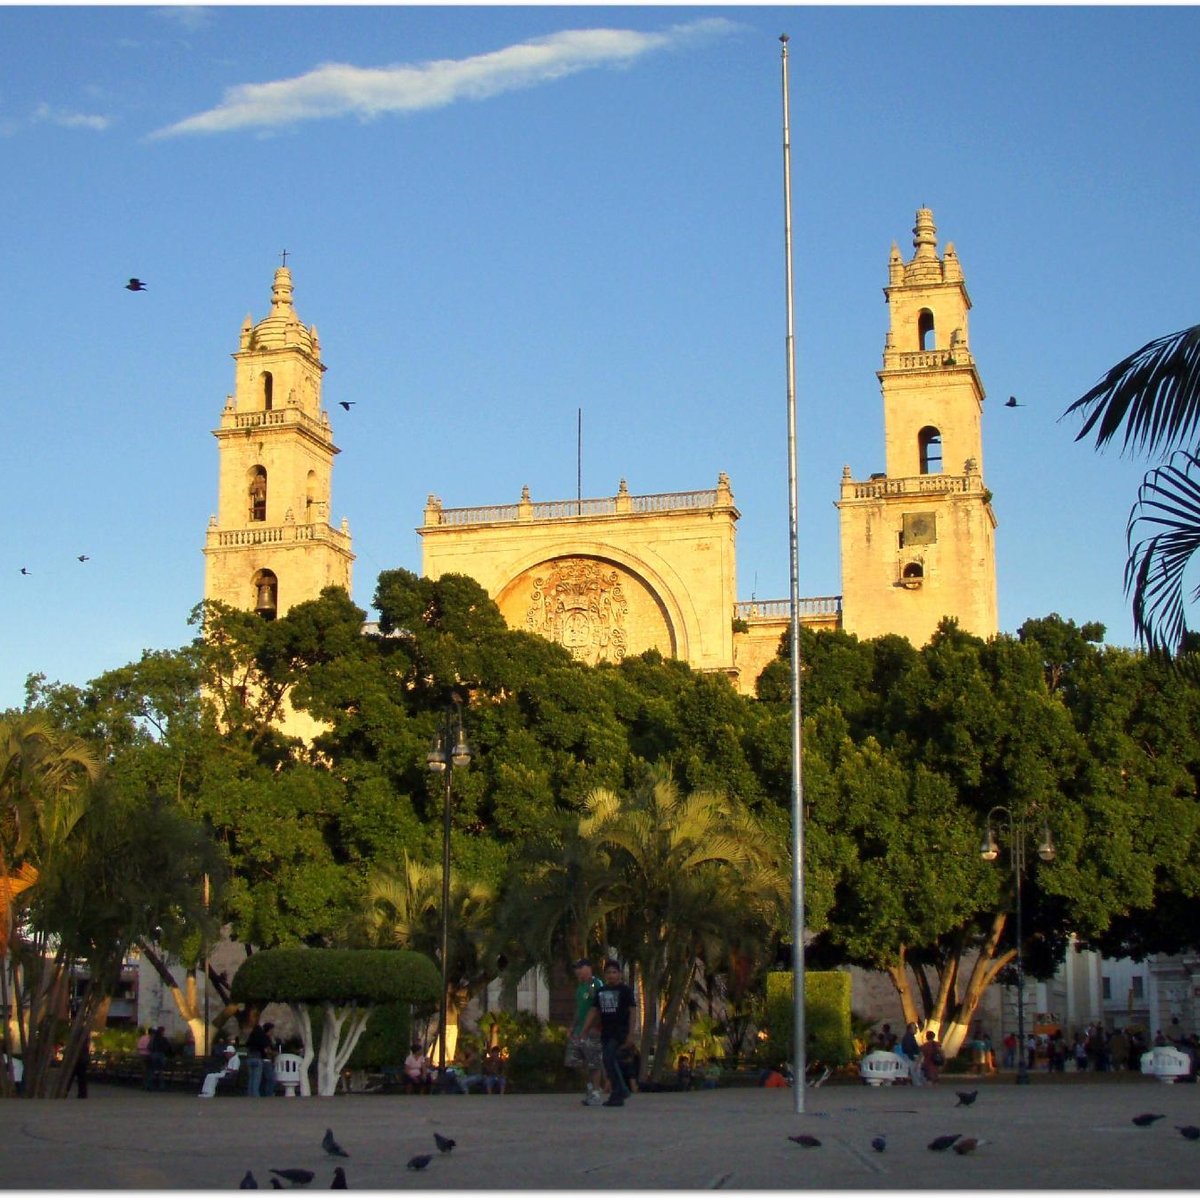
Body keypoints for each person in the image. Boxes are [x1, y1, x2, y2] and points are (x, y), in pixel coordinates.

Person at [582, 958, 637, 1108]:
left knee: (608, 1057)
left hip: (620, 1031)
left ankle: (618, 1092)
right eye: (608, 973)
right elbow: (594, 1011)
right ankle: (621, 1090)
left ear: (619, 974)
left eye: (614, 972)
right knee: (608, 1061)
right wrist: (585, 1030)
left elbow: (632, 1011)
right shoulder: (601, 992)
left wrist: (631, 1034)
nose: (611, 975)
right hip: (606, 1031)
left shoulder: (625, 991)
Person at [565, 957, 605, 1106]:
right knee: (574, 1060)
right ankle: (590, 1086)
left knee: (593, 1061)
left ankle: (595, 1091)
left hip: (592, 1030)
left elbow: (598, 1006)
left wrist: (595, 1026)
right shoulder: (580, 988)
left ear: (588, 969)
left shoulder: (595, 984)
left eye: (581, 971)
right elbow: (579, 1009)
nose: (579, 974)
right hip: (579, 1029)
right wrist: (572, 1027)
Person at [245, 1021, 276, 1097]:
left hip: (249, 1058)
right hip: (258, 1058)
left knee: (251, 1078)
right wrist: (274, 1053)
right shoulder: (262, 1037)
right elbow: (266, 1050)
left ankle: (250, 1095)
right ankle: (256, 1095)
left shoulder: (251, 1038)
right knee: (257, 1079)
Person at [149, 1025, 172, 1091]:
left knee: (153, 1070)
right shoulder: (163, 1039)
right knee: (161, 1071)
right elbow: (168, 1047)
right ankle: (161, 1086)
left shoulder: (153, 1039)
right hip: (161, 1054)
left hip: (154, 1054)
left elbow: (149, 1047)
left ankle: (151, 1085)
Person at [900, 1022, 923, 1086]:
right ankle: (917, 1084)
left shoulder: (910, 1037)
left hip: (911, 1056)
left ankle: (917, 1083)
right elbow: (909, 1048)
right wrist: (913, 1058)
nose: (916, 1029)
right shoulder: (909, 1037)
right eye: (915, 1028)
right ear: (910, 1029)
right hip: (911, 1057)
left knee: (915, 1071)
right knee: (915, 1072)